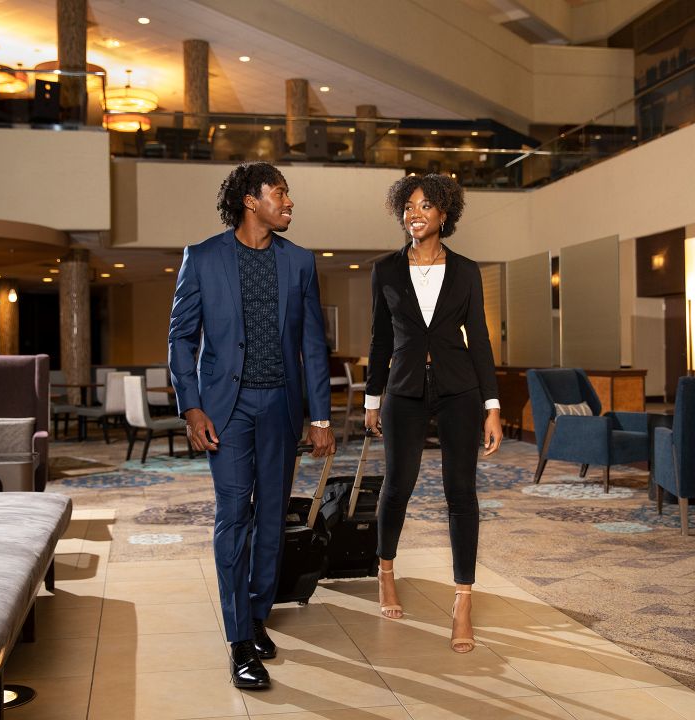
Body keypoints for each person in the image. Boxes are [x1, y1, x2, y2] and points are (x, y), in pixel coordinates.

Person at [168, 161, 336, 689]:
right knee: (234, 514)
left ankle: (258, 610)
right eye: (280, 194)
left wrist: (321, 416)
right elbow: (181, 339)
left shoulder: (300, 262)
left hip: (282, 408)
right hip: (227, 410)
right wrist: (191, 406)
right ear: (250, 200)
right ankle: (240, 639)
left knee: (271, 519)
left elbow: (313, 344)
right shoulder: (202, 258)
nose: (289, 203)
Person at [364, 173, 503, 653]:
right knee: (397, 486)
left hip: (459, 391)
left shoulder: (466, 270)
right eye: (408, 206)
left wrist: (492, 405)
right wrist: (371, 398)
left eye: (425, 206)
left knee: (460, 492)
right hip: (403, 391)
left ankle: (463, 600)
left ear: (445, 214)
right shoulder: (384, 269)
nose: (414, 214)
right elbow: (380, 339)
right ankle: (386, 572)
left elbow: (480, 340)